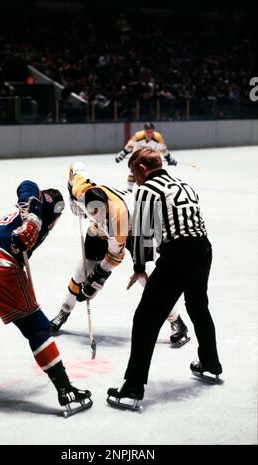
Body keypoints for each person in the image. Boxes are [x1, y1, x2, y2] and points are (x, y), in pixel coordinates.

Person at [0, 180, 92, 417]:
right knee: (37, 327)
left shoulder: (20, 217)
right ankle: (66, 390)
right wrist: (33, 219)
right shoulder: (37, 212)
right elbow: (28, 186)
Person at [107, 148, 223, 410]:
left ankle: (133, 388)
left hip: (178, 254)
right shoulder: (185, 184)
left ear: (142, 168)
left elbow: (141, 234)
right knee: (197, 307)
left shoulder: (147, 189)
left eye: (133, 172)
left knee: (146, 317)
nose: (133, 177)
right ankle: (211, 364)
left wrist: (138, 266)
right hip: (203, 250)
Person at [50, 162, 189, 347]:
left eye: (98, 214)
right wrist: (71, 192)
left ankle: (176, 320)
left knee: (147, 278)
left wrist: (96, 281)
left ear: (106, 208)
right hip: (99, 231)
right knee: (80, 272)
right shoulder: (83, 191)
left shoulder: (118, 219)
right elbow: (77, 166)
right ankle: (64, 311)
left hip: (138, 230)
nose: (94, 216)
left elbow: (115, 256)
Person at [115, 121, 177, 192]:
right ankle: (129, 191)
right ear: (144, 131)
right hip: (138, 158)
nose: (149, 134)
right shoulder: (138, 136)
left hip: (151, 160)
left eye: (151, 132)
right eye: (147, 132)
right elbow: (129, 146)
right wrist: (121, 155)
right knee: (132, 172)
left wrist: (170, 159)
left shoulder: (158, 137)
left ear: (153, 131)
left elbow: (163, 149)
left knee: (154, 174)